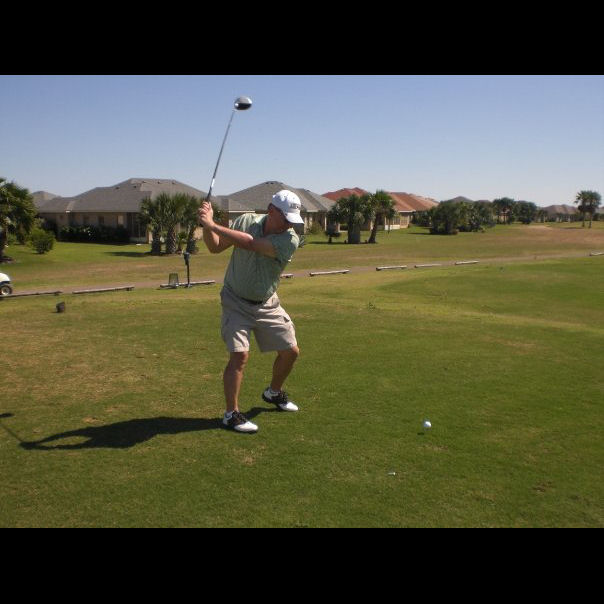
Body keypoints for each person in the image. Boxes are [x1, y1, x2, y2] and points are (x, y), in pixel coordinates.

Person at [198, 190, 304, 433]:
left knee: (291, 352)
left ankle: (273, 392)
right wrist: (206, 225)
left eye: (292, 220)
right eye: (286, 218)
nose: (289, 224)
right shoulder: (245, 221)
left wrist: (213, 224)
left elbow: (250, 244)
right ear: (271, 210)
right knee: (240, 355)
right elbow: (215, 247)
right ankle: (231, 415)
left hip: (267, 303)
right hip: (235, 301)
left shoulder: (290, 240)